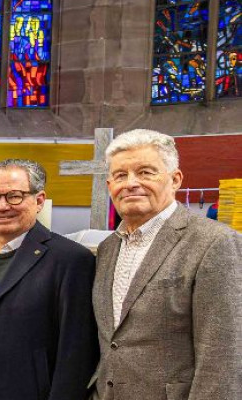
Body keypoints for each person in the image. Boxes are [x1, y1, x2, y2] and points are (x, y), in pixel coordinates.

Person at [91, 129, 242, 399]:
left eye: (146, 172)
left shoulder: (214, 243)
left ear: (175, 180)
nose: (130, 183)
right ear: (109, 185)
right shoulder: (108, 248)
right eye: (120, 175)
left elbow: (223, 356)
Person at [0, 160, 97, 400]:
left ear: (39, 200)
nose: (2, 206)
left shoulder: (71, 260)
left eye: (14, 196)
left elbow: (75, 356)